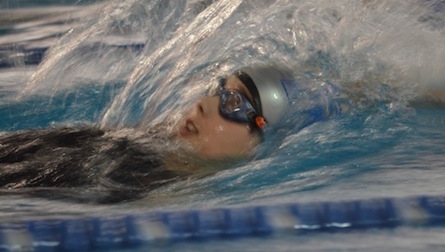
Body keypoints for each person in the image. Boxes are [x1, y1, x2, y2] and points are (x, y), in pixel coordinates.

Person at [0, 65, 294, 203]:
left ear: (261, 137)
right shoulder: (123, 141)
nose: (203, 104)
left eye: (233, 102)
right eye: (217, 91)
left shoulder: (164, 197)